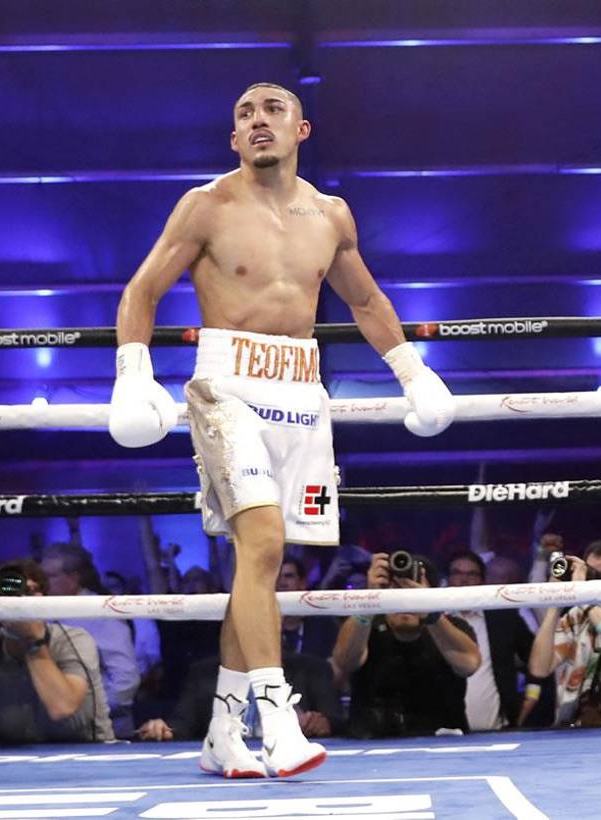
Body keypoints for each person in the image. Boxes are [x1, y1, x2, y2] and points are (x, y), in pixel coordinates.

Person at [108, 82, 457, 777]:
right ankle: (276, 719)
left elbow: (364, 298)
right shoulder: (205, 205)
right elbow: (142, 289)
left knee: (258, 567)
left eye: (272, 111)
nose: (258, 121)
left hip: (300, 389)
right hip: (225, 387)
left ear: (303, 130)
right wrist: (131, 373)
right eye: (244, 114)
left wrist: (413, 373)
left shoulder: (330, 215)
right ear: (233, 139)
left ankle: (220, 733)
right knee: (263, 540)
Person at [0, 560, 114, 744]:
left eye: (28, 593)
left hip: (86, 753)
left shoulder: (74, 640)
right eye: (11, 593)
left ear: (44, 598)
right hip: (10, 760)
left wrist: (32, 641)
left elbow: (61, 707)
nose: (19, 602)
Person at [332, 553, 480, 738]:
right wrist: (369, 601)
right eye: (396, 590)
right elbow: (345, 661)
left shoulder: (452, 627)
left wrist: (429, 611)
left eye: (410, 590)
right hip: (371, 741)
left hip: (441, 742)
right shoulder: (364, 625)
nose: (404, 601)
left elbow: (469, 665)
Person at [41, 542, 141, 737]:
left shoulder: (101, 612)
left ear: (73, 578)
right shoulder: (46, 611)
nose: (44, 583)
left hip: (105, 730)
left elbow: (126, 679)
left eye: (51, 577)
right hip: (55, 726)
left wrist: (89, 711)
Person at [136, 651, 342, 743]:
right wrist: (163, 729)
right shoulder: (204, 672)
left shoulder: (311, 668)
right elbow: (182, 723)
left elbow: (339, 722)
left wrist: (323, 723)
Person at [525, 539, 601, 727]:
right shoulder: (577, 616)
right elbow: (540, 668)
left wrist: (583, 597)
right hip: (573, 729)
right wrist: (556, 600)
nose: (598, 583)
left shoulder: (585, 605)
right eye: (594, 576)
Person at [444, 550, 534, 731]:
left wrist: (532, 697)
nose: (464, 580)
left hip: (498, 730)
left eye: (471, 574)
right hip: (441, 731)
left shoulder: (503, 619)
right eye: (457, 573)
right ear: (447, 580)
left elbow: (535, 660)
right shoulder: (435, 621)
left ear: (482, 581)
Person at [277, 558, 338, 662]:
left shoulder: (324, 624)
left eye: (288, 576)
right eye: (277, 577)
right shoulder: (262, 624)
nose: (282, 583)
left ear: (302, 583)